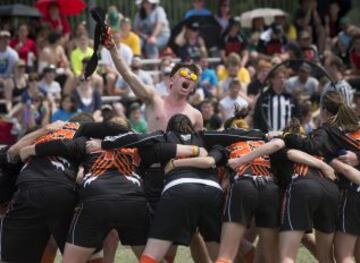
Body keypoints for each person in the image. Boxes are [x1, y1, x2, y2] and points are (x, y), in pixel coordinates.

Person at [102, 27, 207, 263]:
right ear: (171, 81)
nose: (188, 79)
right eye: (183, 75)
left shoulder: (196, 115)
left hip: (178, 176)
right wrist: (114, 50)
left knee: (186, 235)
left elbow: (201, 148)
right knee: (136, 230)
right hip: (148, 174)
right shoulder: (153, 98)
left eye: (192, 79)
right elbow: (128, 76)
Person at [281, 90, 360, 263]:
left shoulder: (329, 131)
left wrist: (285, 136)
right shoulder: (353, 128)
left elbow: (310, 145)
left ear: (324, 110)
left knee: (344, 255)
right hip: (337, 191)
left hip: (351, 191)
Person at [253, 67, 300, 132]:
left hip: (287, 137)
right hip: (267, 136)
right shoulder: (264, 98)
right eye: (279, 78)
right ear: (272, 80)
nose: (282, 80)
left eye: (284, 78)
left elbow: (297, 117)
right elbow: (256, 118)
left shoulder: (291, 98)